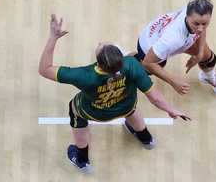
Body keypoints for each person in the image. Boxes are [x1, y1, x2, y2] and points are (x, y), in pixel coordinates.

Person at [39, 15, 190, 173]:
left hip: (96, 113)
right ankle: (147, 139)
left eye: (101, 46)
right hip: (126, 105)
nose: (100, 43)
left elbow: (44, 69)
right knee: (132, 108)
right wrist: (171, 110)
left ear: (99, 63)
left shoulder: (84, 75)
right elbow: (155, 98)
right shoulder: (131, 65)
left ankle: (82, 159)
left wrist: (53, 38)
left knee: (74, 108)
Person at [135, 0, 216, 95]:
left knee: (207, 57)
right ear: (187, 16)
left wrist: (199, 55)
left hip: (161, 34)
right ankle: (128, 59)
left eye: (205, 24)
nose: (200, 29)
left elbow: (200, 28)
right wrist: (173, 81)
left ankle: (208, 77)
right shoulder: (173, 39)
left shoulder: (195, 8)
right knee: (143, 70)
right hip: (147, 46)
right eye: (196, 24)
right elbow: (148, 62)